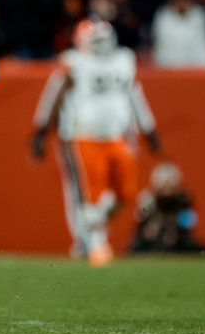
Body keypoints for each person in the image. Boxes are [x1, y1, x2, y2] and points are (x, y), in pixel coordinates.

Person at [31, 19, 160, 267]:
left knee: (125, 194)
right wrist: (42, 131)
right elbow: (54, 94)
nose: (101, 44)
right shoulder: (74, 61)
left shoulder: (124, 59)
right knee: (90, 193)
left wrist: (149, 128)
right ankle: (95, 242)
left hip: (118, 135)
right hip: (83, 135)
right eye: (95, 39)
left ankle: (92, 232)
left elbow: (134, 93)